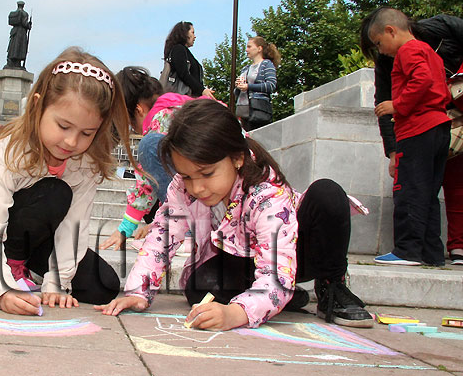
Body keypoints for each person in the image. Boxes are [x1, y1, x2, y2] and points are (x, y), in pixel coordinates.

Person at [96, 99, 372, 329]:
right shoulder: (183, 188)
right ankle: (274, 298)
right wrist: (138, 292)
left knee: (327, 193)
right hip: (242, 257)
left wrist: (237, 313)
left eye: (207, 173)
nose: (197, 188)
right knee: (200, 288)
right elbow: (161, 238)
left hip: (293, 255)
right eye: (187, 176)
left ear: (238, 158)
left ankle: (332, 287)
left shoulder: (266, 193)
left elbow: (278, 271)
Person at [0, 47, 133, 315]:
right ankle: (6, 266)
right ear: (38, 105)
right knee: (54, 192)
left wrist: (57, 283)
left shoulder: (86, 162)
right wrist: (1, 288)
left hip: (42, 241)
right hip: (6, 235)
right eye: (63, 126)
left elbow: (75, 224)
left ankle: (32, 270)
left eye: (87, 133)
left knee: (103, 285)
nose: (72, 141)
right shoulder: (10, 152)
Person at [361, 10, 463, 265]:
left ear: (391, 31)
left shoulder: (407, 51)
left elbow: (422, 79)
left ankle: (408, 250)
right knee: (429, 192)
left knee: (408, 190)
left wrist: (397, 105)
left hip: (417, 130)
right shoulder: (430, 52)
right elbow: (438, 85)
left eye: (379, 43)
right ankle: (431, 252)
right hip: (440, 128)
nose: (381, 51)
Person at [100, 66, 201, 250]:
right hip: (225, 191)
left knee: (148, 146)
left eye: (131, 123)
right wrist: (157, 224)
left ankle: (186, 231)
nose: (135, 129)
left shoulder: (161, 118)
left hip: (213, 201)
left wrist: (124, 229)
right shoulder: (178, 106)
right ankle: (180, 226)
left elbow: (146, 183)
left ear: (139, 110)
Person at [234, 36, 281, 130]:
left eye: (249, 47)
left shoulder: (267, 64)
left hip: (259, 110)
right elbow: (236, 92)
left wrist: (248, 86)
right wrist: (238, 87)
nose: (246, 50)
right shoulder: (245, 69)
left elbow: (271, 85)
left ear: (259, 48)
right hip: (243, 111)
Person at [162, 21, 214, 98]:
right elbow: (183, 74)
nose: (195, 36)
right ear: (185, 33)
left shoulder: (183, 51)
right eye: (192, 32)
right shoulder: (179, 49)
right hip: (182, 97)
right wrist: (202, 90)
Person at [5, 1, 32, 69]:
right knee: (19, 47)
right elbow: (24, 23)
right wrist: (29, 25)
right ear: (23, 6)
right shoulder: (24, 14)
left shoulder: (14, 13)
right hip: (21, 32)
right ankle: (17, 62)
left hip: (14, 31)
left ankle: (11, 61)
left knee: (13, 46)